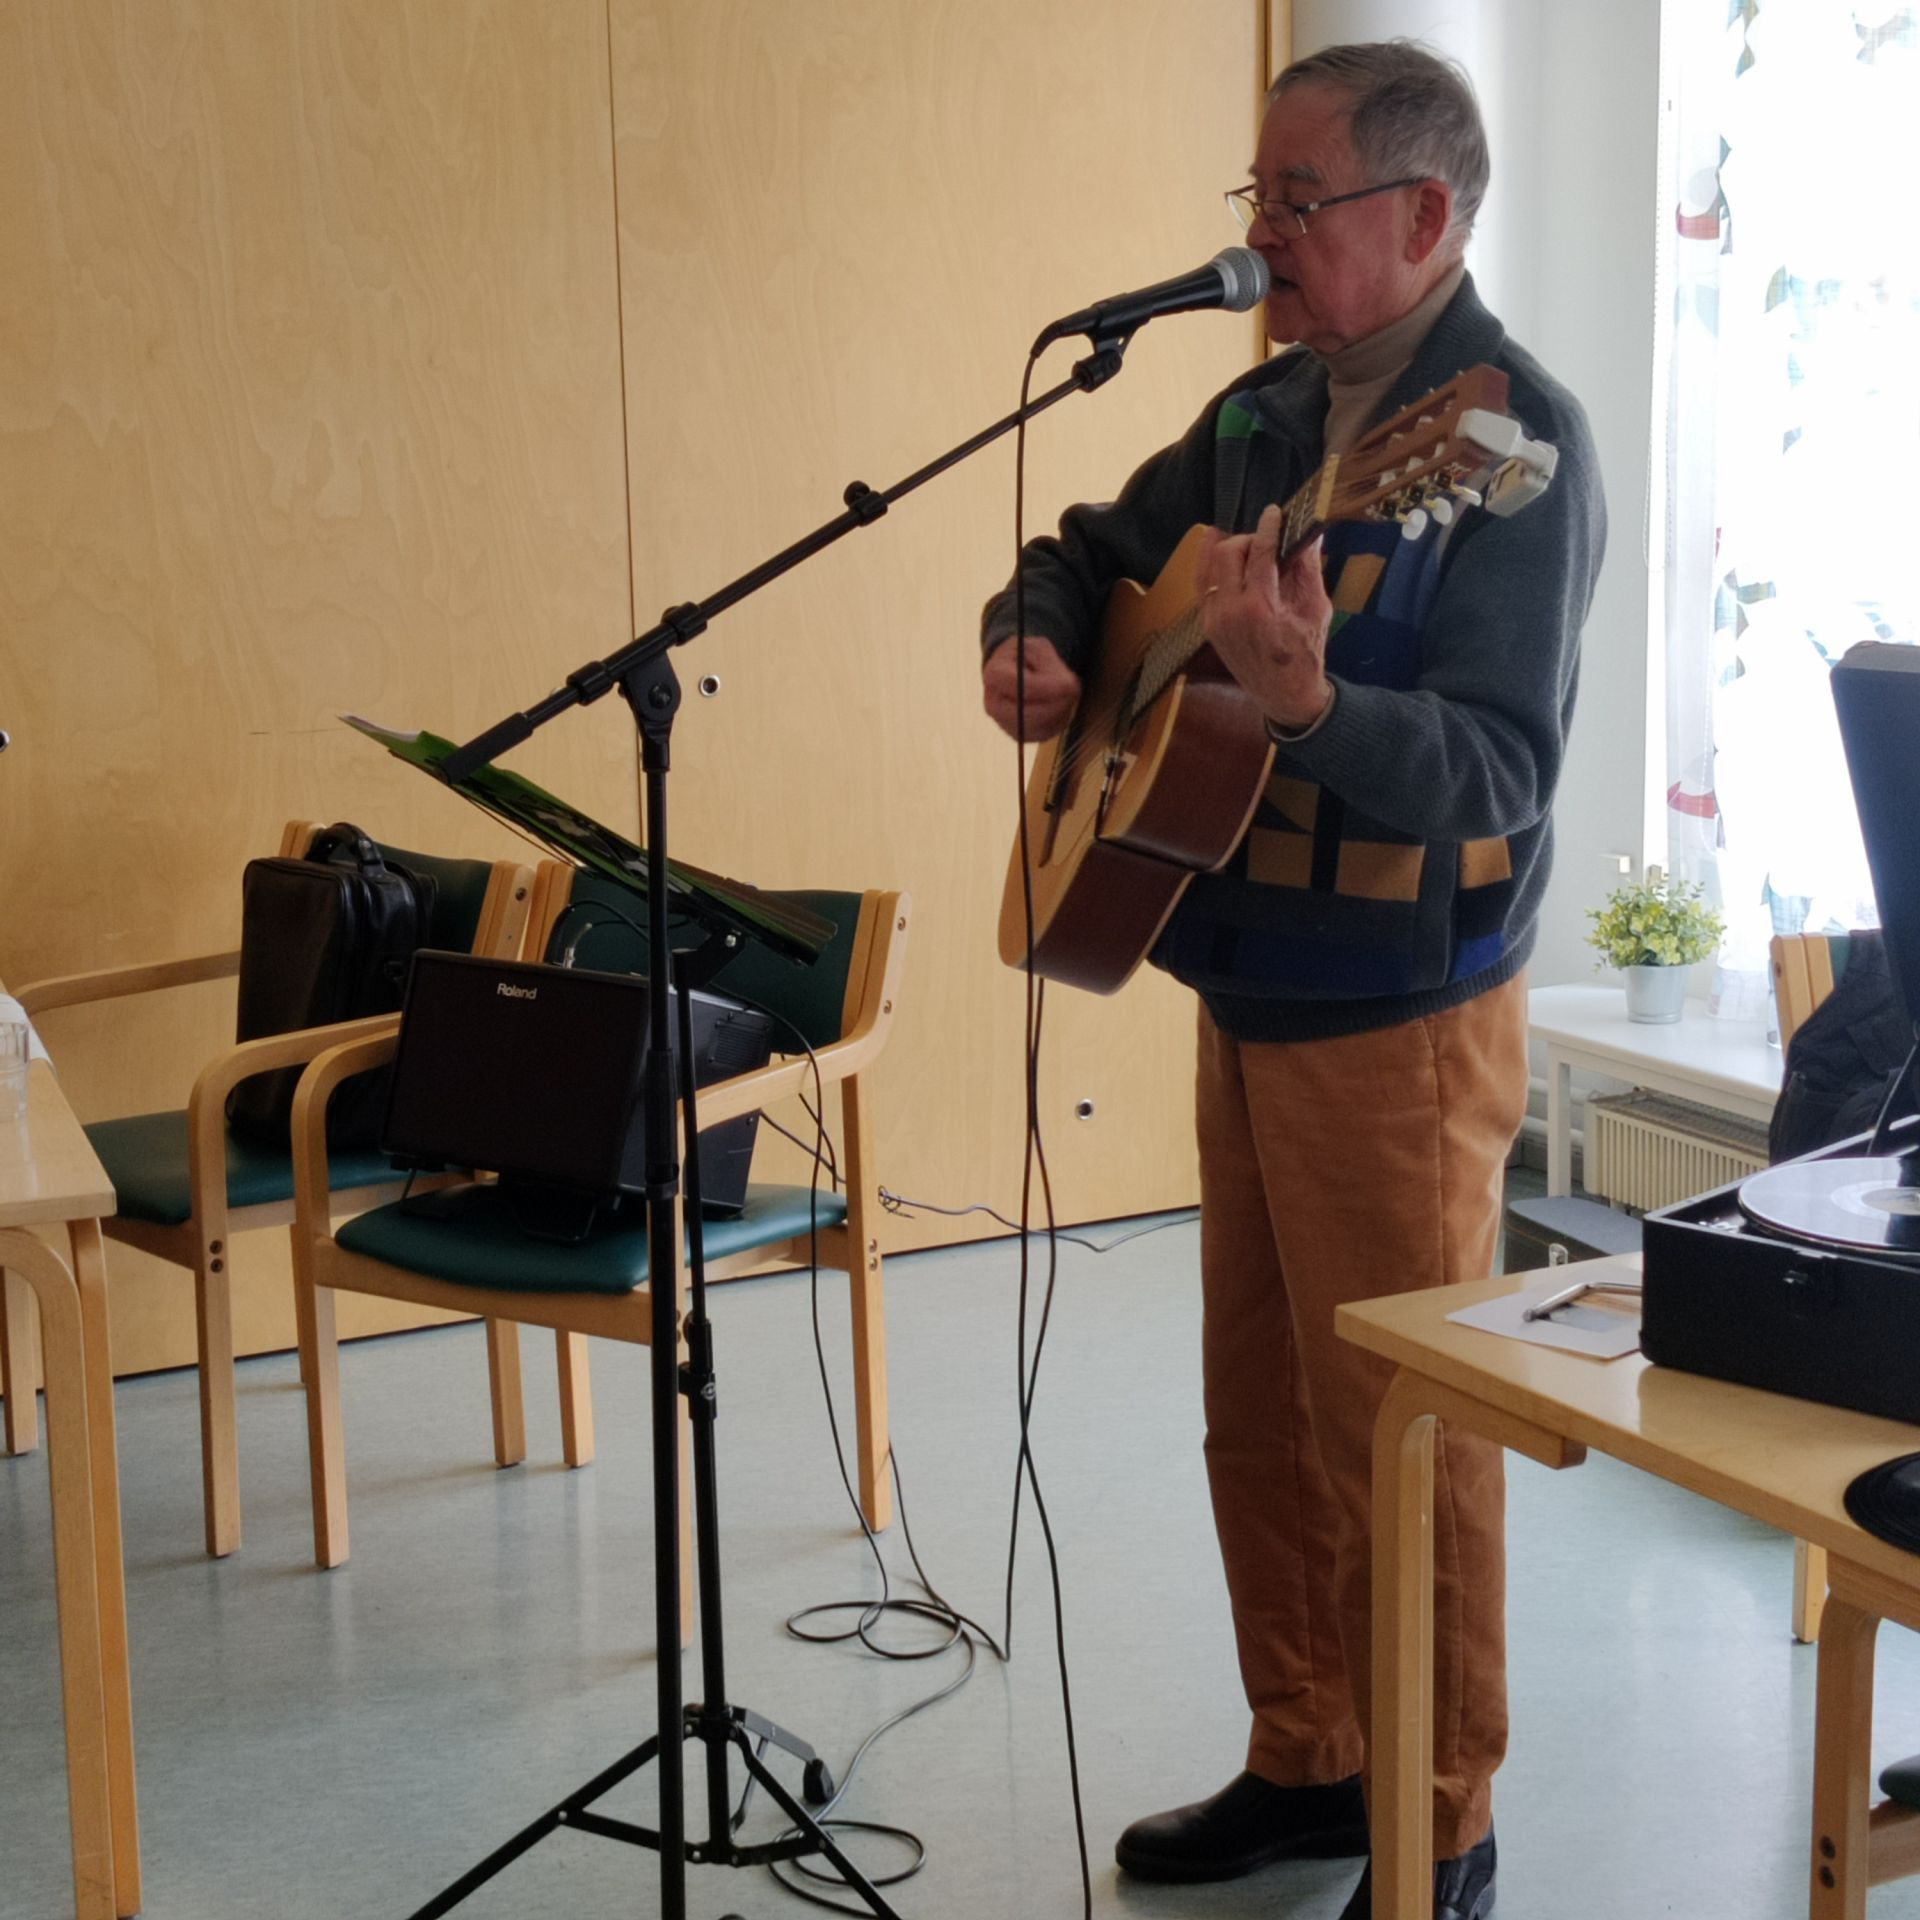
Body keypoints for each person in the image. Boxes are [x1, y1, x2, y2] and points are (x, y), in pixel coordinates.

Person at [978, 40, 1605, 1920]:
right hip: (1237, 976)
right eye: (1256, 197)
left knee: (1404, 1431)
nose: (1261, 238)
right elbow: (1088, 553)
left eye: (1297, 201)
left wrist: (1317, 703)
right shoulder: (1259, 417)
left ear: (1425, 216)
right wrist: (1035, 640)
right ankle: (1312, 1754)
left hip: (1399, 1013)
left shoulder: (1510, 449)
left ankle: (1441, 1824)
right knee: (1256, 1410)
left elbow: (1501, 768)